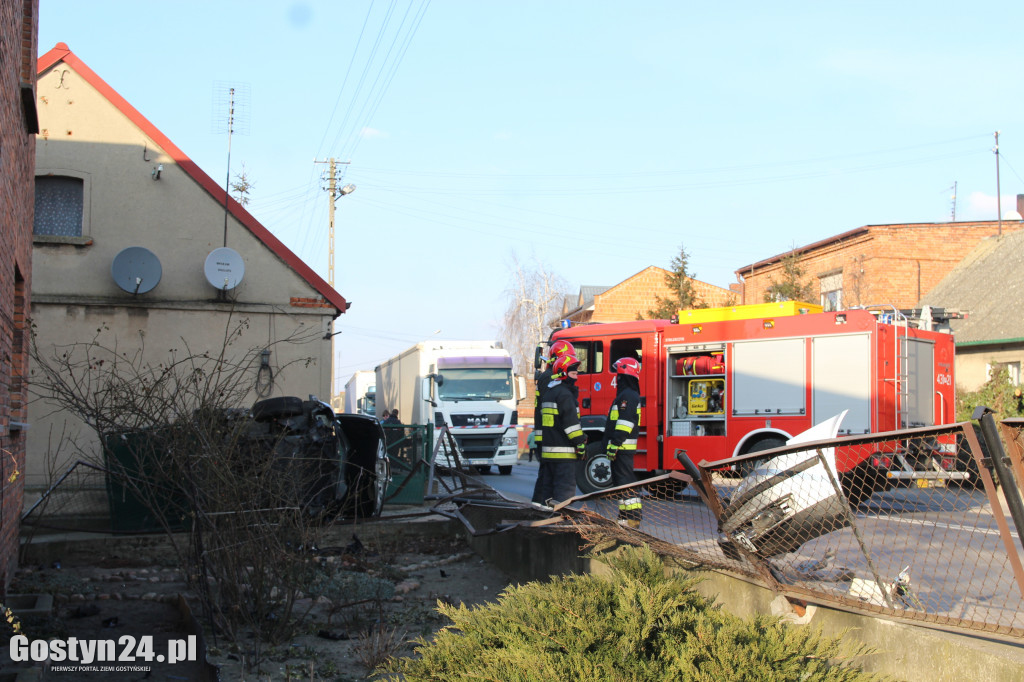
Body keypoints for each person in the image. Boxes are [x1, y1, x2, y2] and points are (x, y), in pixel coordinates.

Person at [533, 352, 587, 508]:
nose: (576, 377)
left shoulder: (550, 393)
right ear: (563, 374)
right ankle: (561, 525)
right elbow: (571, 425)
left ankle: (546, 521)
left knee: (548, 490)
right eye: (573, 373)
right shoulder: (565, 395)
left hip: (549, 453)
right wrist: (581, 442)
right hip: (564, 454)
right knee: (564, 491)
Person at [604, 356, 643, 527]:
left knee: (625, 483)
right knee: (622, 483)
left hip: (622, 448)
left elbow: (625, 423)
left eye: (617, 374)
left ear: (624, 374)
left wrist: (614, 444)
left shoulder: (628, 396)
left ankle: (632, 518)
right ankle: (624, 517)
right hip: (621, 447)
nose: (616, 378)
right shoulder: (628, 395)